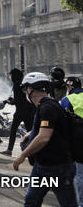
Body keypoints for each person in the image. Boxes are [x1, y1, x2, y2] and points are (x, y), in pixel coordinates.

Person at [12, 72, 77, 207]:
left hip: (57, 167)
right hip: (43, 165)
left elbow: (43, 138)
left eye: (26, 89)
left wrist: (23, 155)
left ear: (31, 89)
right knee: (31, 201)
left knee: (68, 203)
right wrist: (31, 133)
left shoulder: (47, 108)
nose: (26, 92)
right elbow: (49, 127)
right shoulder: (48, 105)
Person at [1, 68, 36, 156]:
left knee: (13, 130)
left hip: (20, 111)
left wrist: (8, 102)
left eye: (11, 75)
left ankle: (9, 150)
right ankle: (34, 150)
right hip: (29, 111)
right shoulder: (25, 84)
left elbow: (17, 101)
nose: (11, 77)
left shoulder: (16, 85)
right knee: (30, 131)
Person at [60, 76, 83, 206]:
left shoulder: (67, 99)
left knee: (79, 173)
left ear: (70, 87)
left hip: (77, 140)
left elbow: (61, 119)